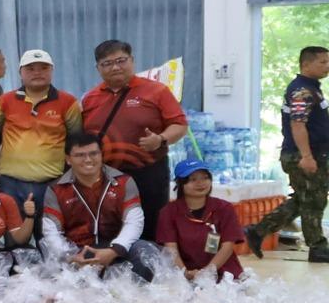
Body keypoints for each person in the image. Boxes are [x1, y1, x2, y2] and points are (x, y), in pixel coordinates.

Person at [82, 40, 188, 227]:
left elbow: (179, 125)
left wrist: (160, 139)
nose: (115, 67)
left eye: (121, 60)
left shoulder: (157, 91)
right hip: (105, 175)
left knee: (151, 226)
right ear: (98, 68)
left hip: (148, 173)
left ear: (132, 60)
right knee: (109, 228)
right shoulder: (89, 98)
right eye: (107, 63)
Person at [246, 44, 329, 263]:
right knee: (313, 201)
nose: (327, 66)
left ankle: (258, 231)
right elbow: (297, 124)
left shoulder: (312, 88)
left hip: (313, 154)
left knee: (304, 199)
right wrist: (306, 156)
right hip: (303, 155)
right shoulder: (302, 91)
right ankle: (318, 247)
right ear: (306, 64)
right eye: (323, 62)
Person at [40, 134, 159, 280]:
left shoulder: (123, 182)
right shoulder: (56, 189)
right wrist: (70, 257)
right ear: (68, 159)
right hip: (79, 253)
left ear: (101, 155)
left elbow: (134, 222)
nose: (88, 160)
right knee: (52, 270)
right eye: (80, 155)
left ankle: (133, 292)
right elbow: (52, 232)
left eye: (93, 153)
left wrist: (114, 250)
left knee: (145, 251)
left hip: (115, 248)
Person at [157, 159, 245, 283]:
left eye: (205, 178)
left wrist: (207, 272)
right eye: (193, 179)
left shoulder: (224, 208)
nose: (201, 183)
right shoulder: (168, 212)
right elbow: (171, 249)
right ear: (180, 184)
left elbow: (228, 246)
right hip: (186, 275)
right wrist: (185, 273)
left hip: (225, 275)